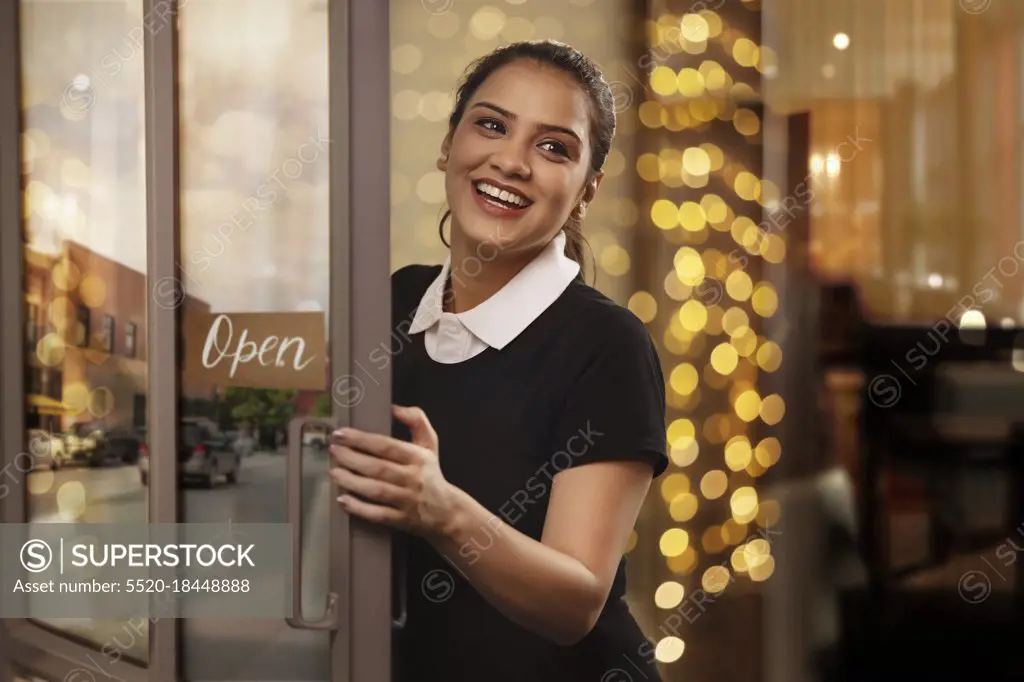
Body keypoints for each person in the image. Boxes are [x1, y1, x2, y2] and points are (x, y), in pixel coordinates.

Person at [328, 40, 668, 681]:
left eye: (553, 147)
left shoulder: (607, 345)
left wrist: (442, 510)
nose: (511, 162)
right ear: (449, 144)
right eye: (491, 124)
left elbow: (576, 602)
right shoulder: (393, 299)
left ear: (588, 187)